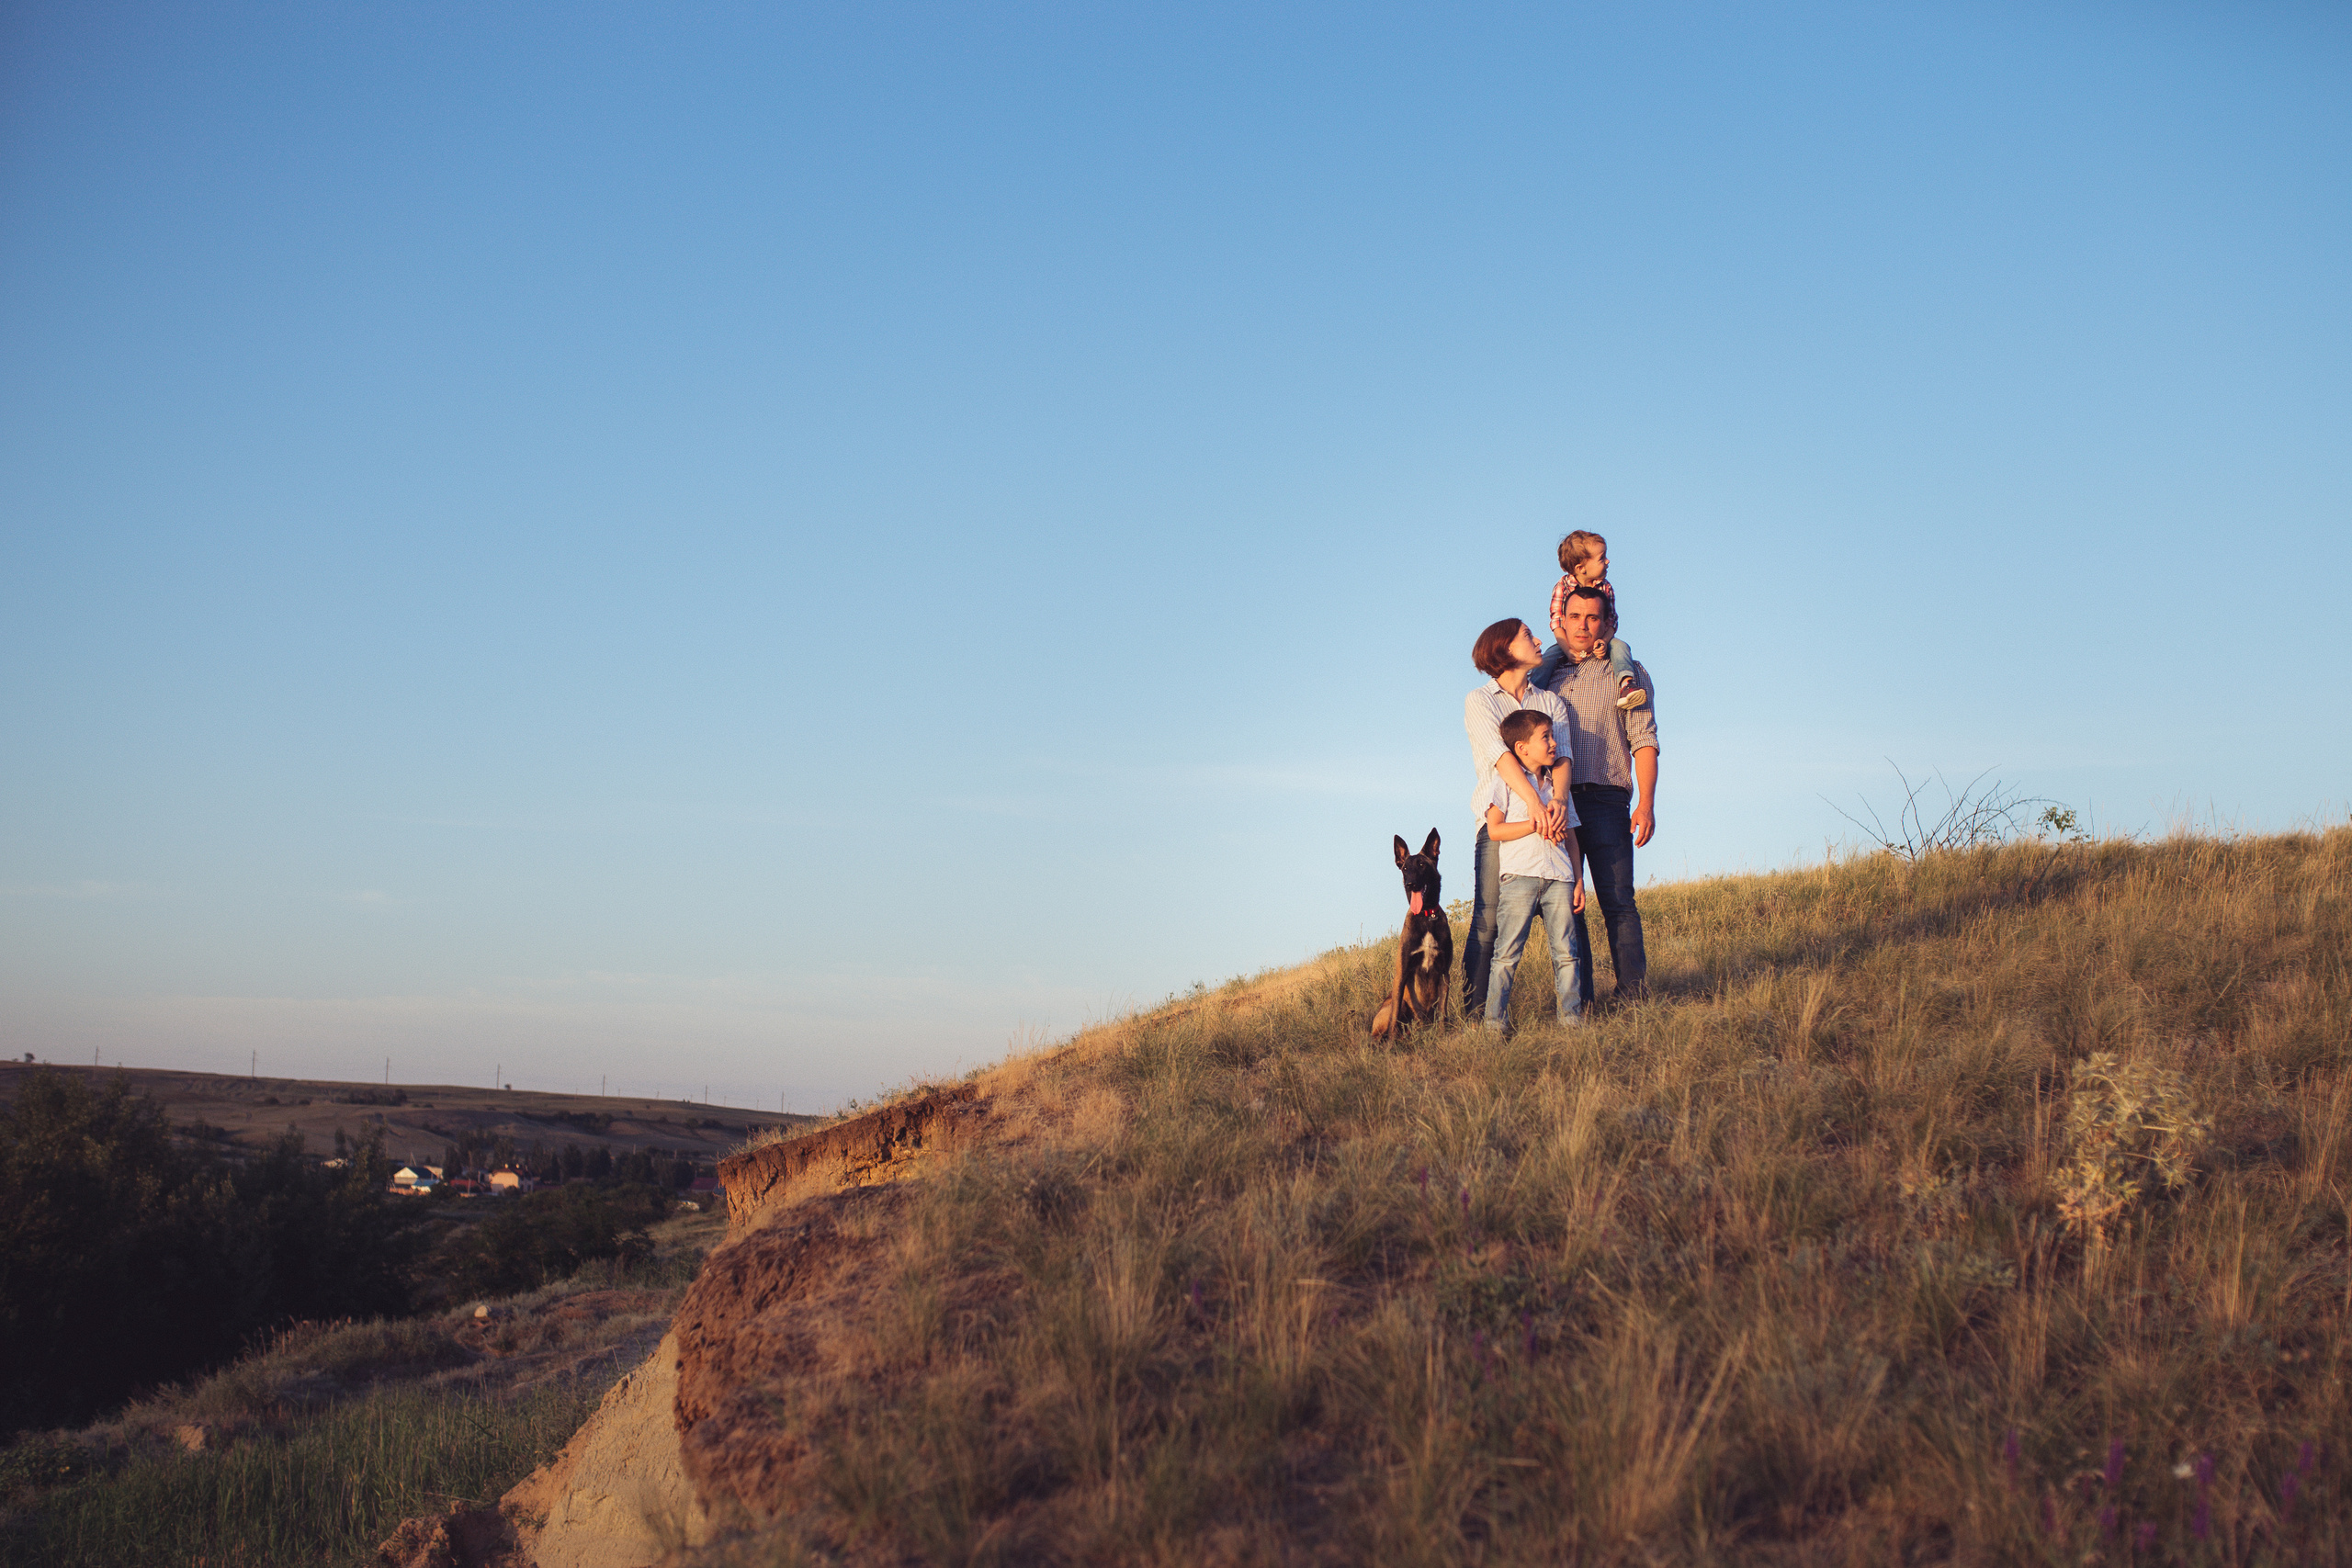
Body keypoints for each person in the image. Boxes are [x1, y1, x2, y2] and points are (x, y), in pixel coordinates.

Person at [1536, 583, 1659, 1005]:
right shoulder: (1546, 676)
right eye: (1575, 617)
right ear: (1562, 621)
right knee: (1569, 906)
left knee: (1619, 901)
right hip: (1558, 805)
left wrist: (1646, 803)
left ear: (1607, 622)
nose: (1583, 626)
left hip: (1608, 799)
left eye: (1593, 617)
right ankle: (1581, 1002)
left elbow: (1644, 739)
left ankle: (1633, 996)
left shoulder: (1629, 675)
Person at [1461, 618, 1575, 1023]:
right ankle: (1478, 1019)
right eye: (1528, 635)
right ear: (1505, 648)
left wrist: (1557, 800)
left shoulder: (1551, 702)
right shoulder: (1480, 700)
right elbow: (1501, 757)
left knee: (1567, 928)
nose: (1538, 639)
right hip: (1504, 822)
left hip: (1553, 825)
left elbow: (1562, 758)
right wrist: (1535, 807)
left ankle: (1580, 1010)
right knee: (1489, 923)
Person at [1478, 710, 1587, 1032]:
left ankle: (1571, 1022)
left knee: (1567, 954)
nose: (1554, 743)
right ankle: (1494, 1025)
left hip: (1560, 878)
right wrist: (1534, 823)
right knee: (1507, 955)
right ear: (1522, 748)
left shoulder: (1558, 789)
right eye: (1546, 737)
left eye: (1553, 735)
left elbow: (1572, 837)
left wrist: (1579, 880)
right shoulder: (1507, 782)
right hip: (1520, 876)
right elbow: (1495, 830)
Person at [1545, 530, 1646, 710]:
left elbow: (1612, 621)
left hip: (1600, 637)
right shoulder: (1562, 586)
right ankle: (1531, 694)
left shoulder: (1605, 587)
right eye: (1602, 558)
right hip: (1566, 640)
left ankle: (1626, 685)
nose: (1607, 561)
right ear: (1581, 568)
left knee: (1621, 647)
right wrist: (1567, 649)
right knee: (1546, 659)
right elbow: (1556, 622)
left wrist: (1604, 641)